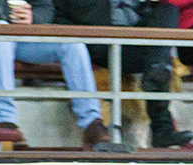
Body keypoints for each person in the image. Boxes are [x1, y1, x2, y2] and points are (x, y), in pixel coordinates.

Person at [0, 0, 113, 149]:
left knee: (72, 44)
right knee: (0, 31)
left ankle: (92, 124)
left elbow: (45, 7)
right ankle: (5, 122)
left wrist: (33, 17)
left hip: (12, 36)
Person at [54, 0, 193, 147]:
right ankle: (161, 126)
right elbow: (83, 14)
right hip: (96, 41)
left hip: (130, 39)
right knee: (157, 60)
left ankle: (162, 128)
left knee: (167, 10)